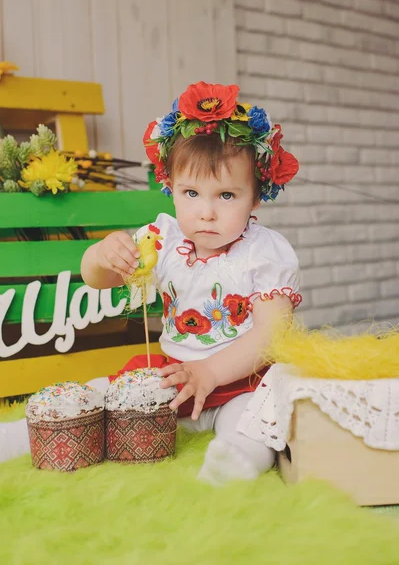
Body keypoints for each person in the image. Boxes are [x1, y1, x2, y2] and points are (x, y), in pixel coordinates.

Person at [0, 82, 302, 485]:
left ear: (255, 197)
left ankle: (237, 457)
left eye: (226, 195)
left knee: (255, 419)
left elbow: (272, 331)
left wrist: (210, 372)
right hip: (171, 374)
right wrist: (103, 254)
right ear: (170, 189)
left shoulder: (263, 252)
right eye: (191, 192)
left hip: (239, 379)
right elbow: (98, 278)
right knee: (102, 394)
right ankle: (17, 437)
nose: (206, 212)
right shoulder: (164, 238)